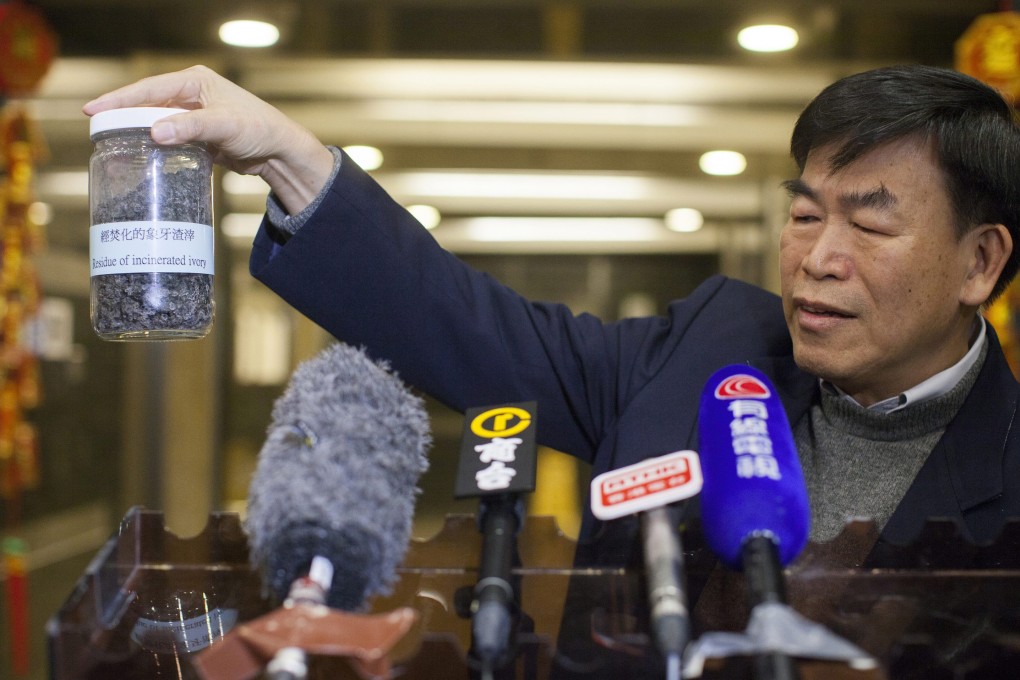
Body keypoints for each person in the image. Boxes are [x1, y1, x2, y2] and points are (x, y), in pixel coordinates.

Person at [84, 63, 1020, 554]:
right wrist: (283, 151)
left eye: (869, 224)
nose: (818, 257)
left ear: (980, 261)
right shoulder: (711, 346)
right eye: (806, 213)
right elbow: (460, 324)